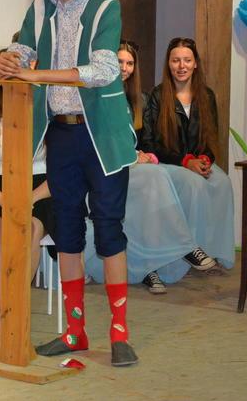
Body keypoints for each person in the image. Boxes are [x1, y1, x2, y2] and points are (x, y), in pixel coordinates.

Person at [0, 0, 138, 366]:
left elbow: (104, 70)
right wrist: (10, 59)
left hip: (102, 138)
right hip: (61, 133)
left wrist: (35, 73)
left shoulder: (105, 6)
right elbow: (23, 50)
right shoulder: (41, 6)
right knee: (68, 229)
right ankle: (76, 331)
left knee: (109, 228)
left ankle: (119, 333)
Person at [84, 40, 199, 295]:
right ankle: (180, 248)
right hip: (104, 168)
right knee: (154, 178)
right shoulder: (95, 95)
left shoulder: (137, 99)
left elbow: (142, 140)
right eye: (119, 62)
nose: (124, 68)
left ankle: (156, 263)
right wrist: (132, 156)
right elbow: (96, 140)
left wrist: (144, 154)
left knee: (176, 178)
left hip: (131, 166)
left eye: (129, 63)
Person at [0, 50, 56, 341]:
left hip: (40, 188)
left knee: (29, 228)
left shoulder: (47, 111)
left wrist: (29, 199)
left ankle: (7, 317)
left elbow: (61, 172)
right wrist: (3, 200)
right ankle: (11, 314)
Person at [141, 37, 236, 275]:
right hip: (168, 164)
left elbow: (211, 138)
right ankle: (186, 253)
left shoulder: (207, 96)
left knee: (223, 183)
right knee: (194, 184)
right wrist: (185, 161)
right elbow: (150, 144)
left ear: (195, 64)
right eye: (176, 60)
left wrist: (205, 160)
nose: (181, 66)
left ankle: (212, 250)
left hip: (196, 163)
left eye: (187, 60)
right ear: (168, 64)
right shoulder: (157, 96)